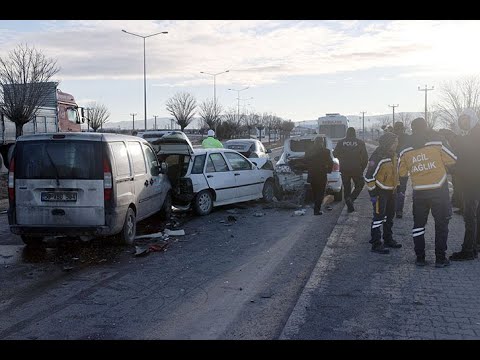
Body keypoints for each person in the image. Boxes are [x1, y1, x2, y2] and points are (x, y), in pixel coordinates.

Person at [398, 117, 457, 267]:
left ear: (412, 129)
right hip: (439, 189)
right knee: (441, 224)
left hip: (419, 192)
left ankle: (420, 258)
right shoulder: (437, 141)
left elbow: (402, 172)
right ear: (426, 127)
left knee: (418, 225)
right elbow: (452, 159)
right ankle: (440, 259)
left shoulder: (404, 148)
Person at [450, 109, 480, 261]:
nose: (463, 124)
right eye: (461, 121)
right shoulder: (472, 134)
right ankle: (475, 245)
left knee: (470, 216)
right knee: (475, 215)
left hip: (472, 181)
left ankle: (468, 251)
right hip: (472, 180)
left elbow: (471, 161)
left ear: (472, 119)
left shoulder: (475, 136)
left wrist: (455, 169)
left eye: (466, 121)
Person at [364, 132, 401, 254]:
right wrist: (373, 193)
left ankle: (388, 239)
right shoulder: (378, 156)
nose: (397, 144)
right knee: (378, 217)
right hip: (380, 192)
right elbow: (369, 177)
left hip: (391, 191)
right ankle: (376, 243)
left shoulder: (394, 155)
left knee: (389, 216)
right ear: (388, 143)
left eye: (397, 141)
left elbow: (395, 173)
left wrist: (398, 187)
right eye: (395, 142)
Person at [333, 127, 368, 213]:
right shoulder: (360, 143)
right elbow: (365, 158)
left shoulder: (341, 142)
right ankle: (351, 199)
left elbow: (334, 154)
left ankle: (349, 203)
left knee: (347, 187)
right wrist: (362, 168)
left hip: (344, 168)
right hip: (356, 168)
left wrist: (342, 159)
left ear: (347, 133)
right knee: (360, 184)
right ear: (355, 133)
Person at [305, 136, 333, 215]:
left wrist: (308, 168)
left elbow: (305, 160)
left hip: (312, 174)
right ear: (322, 142)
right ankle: (317, 210)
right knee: (320, 193)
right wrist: (329, 170)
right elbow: (331, 162)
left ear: (314, 142)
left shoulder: (309, 151)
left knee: (314, 192)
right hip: (321, 174)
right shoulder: (326, 151)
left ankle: (316, 208)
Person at [393, 121, 410, 218]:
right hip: (403, 168)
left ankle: (393, 208)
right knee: (402, 189)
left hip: (392, 168)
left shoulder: (391, 137)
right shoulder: (408, 138)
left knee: (393, 188)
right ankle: (399, 210)